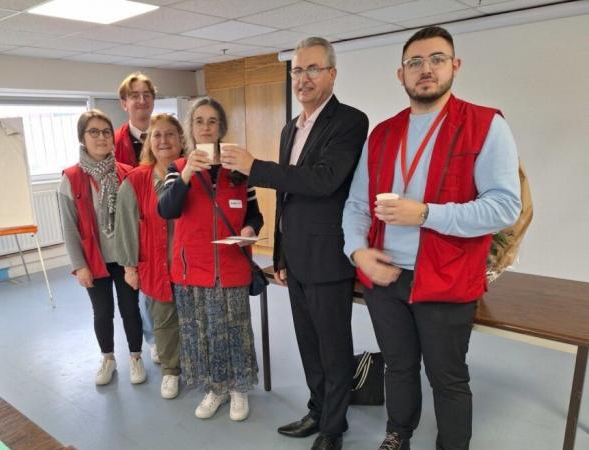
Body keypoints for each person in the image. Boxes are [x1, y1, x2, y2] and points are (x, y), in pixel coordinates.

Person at [341, 26, 521, 450]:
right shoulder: (382, 134)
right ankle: (397, 434)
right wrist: (357, 253)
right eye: (415, 62)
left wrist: (424, 214)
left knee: (448, 376)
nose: (426, 70)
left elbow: (503, 208)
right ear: (400, 74)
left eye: (437, 59)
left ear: (454, 66)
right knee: (399, 367)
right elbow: (356, 205)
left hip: (446, 276)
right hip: (386, 276)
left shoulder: (484, 125)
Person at [221, 37, 368, 450]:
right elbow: (286, 199)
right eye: (297, 70)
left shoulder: (350, 121)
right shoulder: (291, 127)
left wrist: (255, 168)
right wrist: (280, 254)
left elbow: (323, 181)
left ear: (332, 74)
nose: (303, 78)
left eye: (312, 69)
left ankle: (334, 428)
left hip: (328, 258)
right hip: (296, 258)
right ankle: (318, 410)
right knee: (308, 343)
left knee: (334, 347)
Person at [157, 97, 263, 422]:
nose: (205, 126)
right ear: (191, 128)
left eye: (212, 121)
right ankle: (214, 389)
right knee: (201, 332)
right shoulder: (177, 169)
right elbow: (167, 209)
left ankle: (238, 388)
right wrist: (188, 172)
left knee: (235, 330)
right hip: (192, 269)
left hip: (231, 266)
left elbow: (255, 215)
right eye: (199, 121)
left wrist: (249, 228)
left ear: (221, 127)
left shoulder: (240, 170)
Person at [58, 109, 146, 386]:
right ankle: (107, 358)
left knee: (131, 308)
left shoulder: (128, 174)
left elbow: (138, 221)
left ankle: (135, 357)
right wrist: (79, 265)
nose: (101, 137)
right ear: (82, 138)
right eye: (93, 132)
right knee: (102, 311)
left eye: (106, 132)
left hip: (125, 258)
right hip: (94, 261)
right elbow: (69, 227)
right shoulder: (71, 178)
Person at [115, 114, 184, 399]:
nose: (164, 140)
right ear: (149, 143)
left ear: (181, 140)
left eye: (170, 134)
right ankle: (171, 371)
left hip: (192, 264)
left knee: (195, 319)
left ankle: (199, 365)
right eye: (157, 135)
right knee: (164, 320)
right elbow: (126, 227)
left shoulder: (193, 172)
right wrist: (130, 267)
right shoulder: (136, 180)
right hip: (156, 264)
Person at [115, 72, 159, 364]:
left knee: (162, 286)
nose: (141, 101)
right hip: (133, 229)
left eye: (147, 95)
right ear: (124, 103)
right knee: (139, 291)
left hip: (162, 222)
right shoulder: (115, 141)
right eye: (135, 95)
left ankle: (165, 335)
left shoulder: (166, 133)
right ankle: (150, 341)